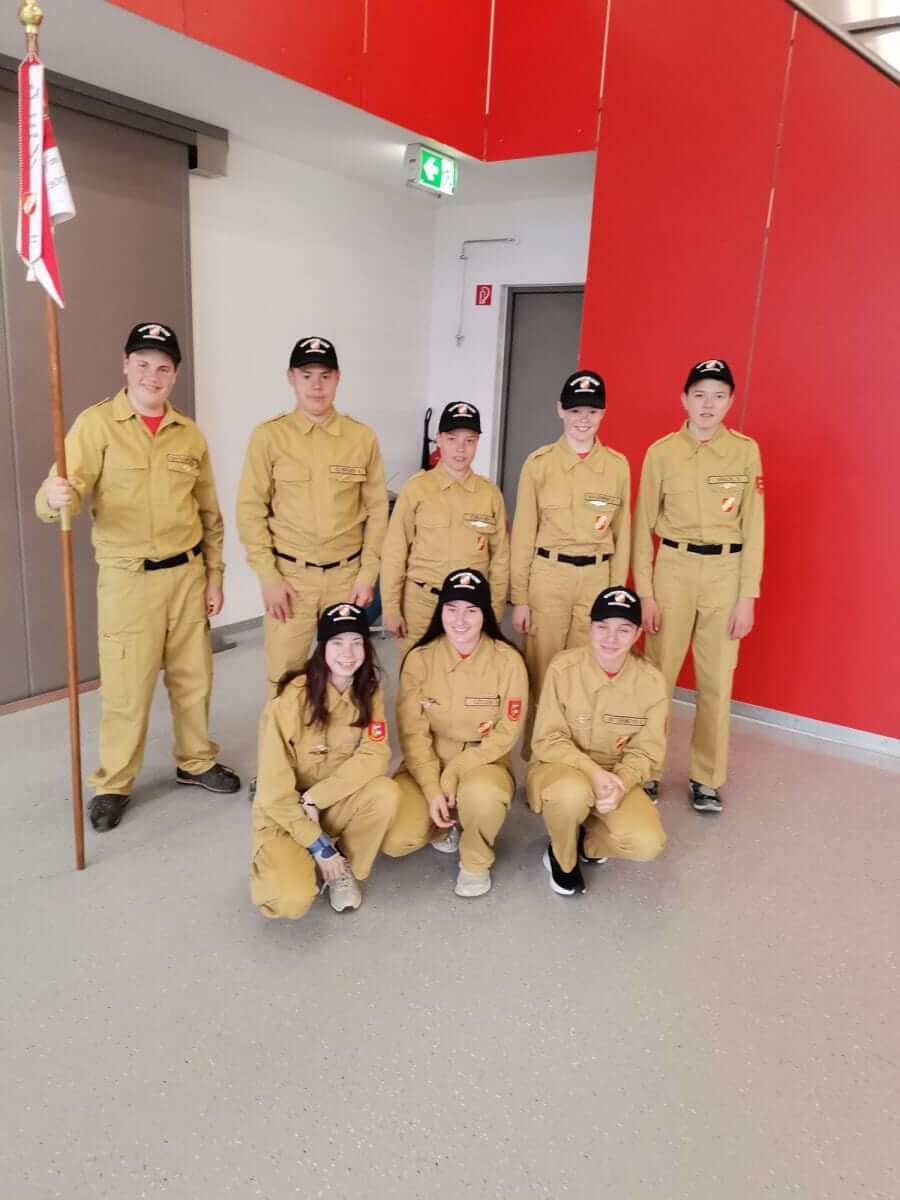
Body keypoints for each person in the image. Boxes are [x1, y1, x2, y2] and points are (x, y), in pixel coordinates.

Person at [35, 322, 240, 832]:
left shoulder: (189, 434)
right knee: (127, 691)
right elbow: (63, 491)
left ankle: (196, 762)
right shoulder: (96, 425)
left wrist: (215, 576)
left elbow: (209, 515)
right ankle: (113, 783)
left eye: (163, 367)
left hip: (187, 577)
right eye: (143, 364)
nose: (152, 375)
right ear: (125, 365)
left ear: (175, 375)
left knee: (194, 681)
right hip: (128, 581)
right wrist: (54, 497)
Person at [632, 358, 764, 813]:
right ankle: (646, 769)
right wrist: (645, 593)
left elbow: (755, 528)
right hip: (673, 568)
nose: (708, 405)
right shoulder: (661, 453)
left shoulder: (745, 452)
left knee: (716, 683)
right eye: (700, 395)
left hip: (725, 574)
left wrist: (747, 597)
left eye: (718, 396)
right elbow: (641, 526)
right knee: (657, 678)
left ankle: (706, 778)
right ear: (684, 399)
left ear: (731, 401)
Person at [236, 336, 389, 697]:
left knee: (347, 675)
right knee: (284, 679)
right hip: (291, 580)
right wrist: (269, 577)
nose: (316, 386)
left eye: (325, 376)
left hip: (346, 578)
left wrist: (368, 575)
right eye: (307, 376)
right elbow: (250, 509)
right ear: (291, 378)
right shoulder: (269, 437)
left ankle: (343, 736)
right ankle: (285, 737)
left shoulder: (361, 437)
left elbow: (378, 509)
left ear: (338, 378)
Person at [382, 569, 528, 898]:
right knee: (395, 838)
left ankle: (475, 861)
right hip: (428, 760)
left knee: (483, 796)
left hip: (484, 761)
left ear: (485, 613)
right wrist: (432, 787)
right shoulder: (419, 659)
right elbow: (413, 734)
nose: (460, 621)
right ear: (441, 611)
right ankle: (443, 826)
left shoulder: (508, 662)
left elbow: (506, 733)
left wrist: (456, 771)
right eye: (452, 609)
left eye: (471, 610)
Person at [250, 602, 398, 917]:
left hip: (327, 801)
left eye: (357, 642)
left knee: (385, 793)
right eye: (337, 642)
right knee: (289, 900)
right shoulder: (289, 702)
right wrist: (317, 843)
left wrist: (316, 798)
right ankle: (305, 857)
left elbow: (375, 754)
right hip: (285, 813)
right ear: (322, 648)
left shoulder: (367, 690)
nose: (348, 653)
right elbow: (273, 791)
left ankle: (341, 868)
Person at [509, 370, 630, 754]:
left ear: (603, 414)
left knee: (586, 673)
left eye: (592, 411)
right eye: (575, 410)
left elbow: (622, 537)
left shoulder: (617, 466)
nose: (583, 419)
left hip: (596, 579)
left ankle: (573, 756)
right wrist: (520, 598)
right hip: (549, 578)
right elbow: (523, 535)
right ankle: (536, 756)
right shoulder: (539, 464)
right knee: (541, 671)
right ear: (560, 410)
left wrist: (616, 599)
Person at [527, 587, 668, 897]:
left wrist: (621, 782)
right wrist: (593, 772)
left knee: (647, 843)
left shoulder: (652, 683)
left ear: (637, 634)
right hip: (559, 766)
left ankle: (586, 844)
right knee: (571, 794)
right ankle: (562, 858)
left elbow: (646, 752)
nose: (610, 638)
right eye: (602, 627)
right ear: (590, 627)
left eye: (623, 630)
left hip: (615, 775)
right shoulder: (563, 668)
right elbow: (548, 739)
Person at [380, 401, 510, 655]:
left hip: (471, 606)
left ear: (478, 442)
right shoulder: (416, 488)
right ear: (439, 439)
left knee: (465, 672)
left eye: (469, 440)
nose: (460, 449)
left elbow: (500, 559)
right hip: (422, 604)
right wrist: (392, 607)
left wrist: (493, 611)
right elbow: (395, 550)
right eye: (452, 439)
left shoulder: (490, 494)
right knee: (416, 672)